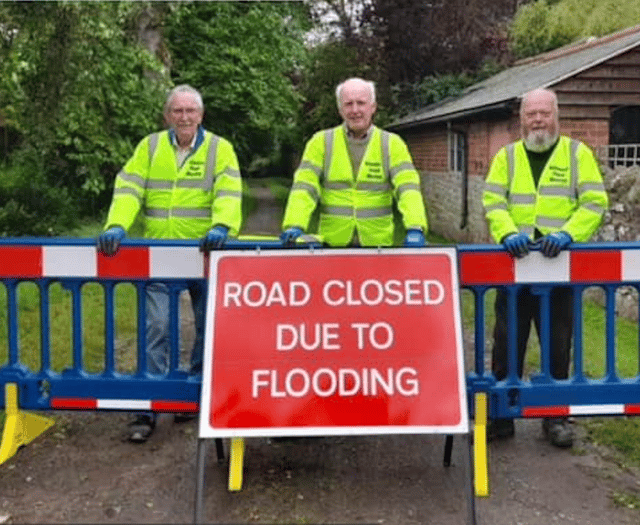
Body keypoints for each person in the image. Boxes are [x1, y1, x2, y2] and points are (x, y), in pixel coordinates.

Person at [97, 84, 242, 443]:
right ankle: (148, 404)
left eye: (190, 111)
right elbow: (129, 189)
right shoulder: (149, 147)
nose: (184, 117)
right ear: (167, 116)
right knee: (158, 325)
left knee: (206, 326)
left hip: (204, 255)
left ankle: (189, 396)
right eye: (177, 111)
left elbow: (228, 192)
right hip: (158, 255)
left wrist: (222, 225)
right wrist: (117, 224)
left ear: (201, 115)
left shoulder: (219, 149)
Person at [482, 88, 608, 447]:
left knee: (557, 344)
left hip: (558, 267)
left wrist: (569, 233)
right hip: (516, 267)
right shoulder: (506, 156)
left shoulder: (576, 153)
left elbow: (594, 201)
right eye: (531, 114)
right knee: (507, 342)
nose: (537, 120)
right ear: (521, 118)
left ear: (556, 115)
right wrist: (506, 232)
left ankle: (555, 417)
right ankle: (502, 416)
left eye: (544, 113)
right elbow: (493, 200)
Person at [280, 77, 428, 248]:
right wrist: (294, 224)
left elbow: (407, 188)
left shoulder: (392, 144)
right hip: (332, 246)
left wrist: (415, 226)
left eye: (361, 103)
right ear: (340, 110)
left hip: (377, 247)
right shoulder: (320, 142)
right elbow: (304, 187)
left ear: (373, 107)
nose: (355, 109)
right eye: (348, 104)